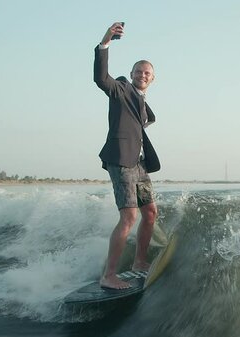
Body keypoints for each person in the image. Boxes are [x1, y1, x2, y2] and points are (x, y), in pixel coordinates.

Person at [93, 22, 161, 289]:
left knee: (151, 213)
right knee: (129, 217)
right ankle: (109, 275)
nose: (142, 75)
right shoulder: (121, 89)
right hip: (121, 160)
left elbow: (138, 124)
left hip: (139, 163)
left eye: (147, 73)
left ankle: (139, 262)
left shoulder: (144, 105)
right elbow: (102, 78)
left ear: (152, 78)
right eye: (138, 71)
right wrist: (105, 42)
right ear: (131, 74)